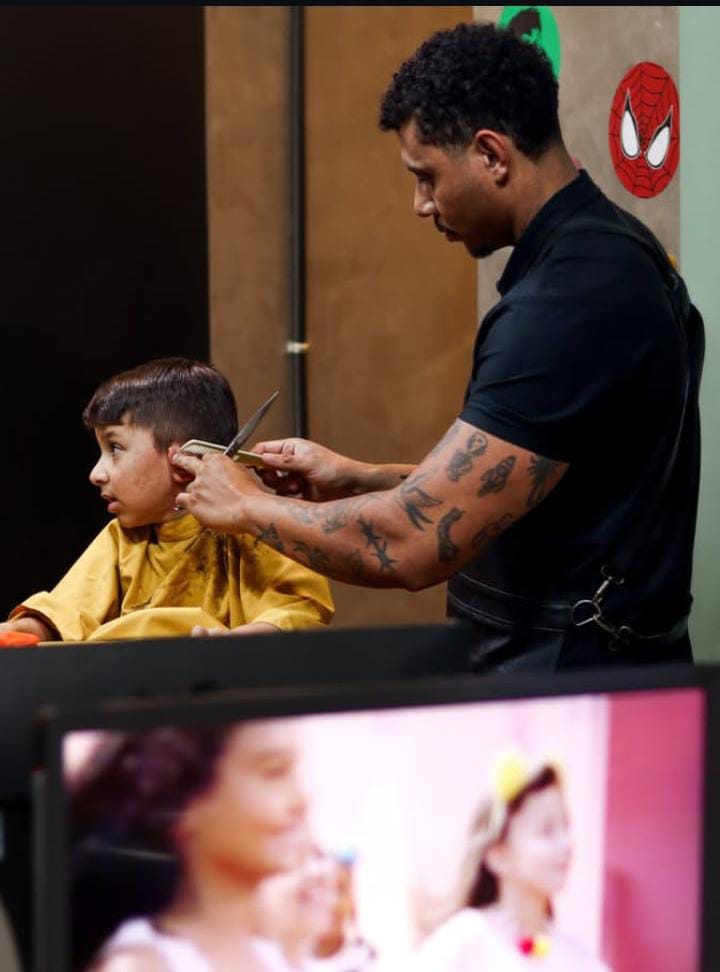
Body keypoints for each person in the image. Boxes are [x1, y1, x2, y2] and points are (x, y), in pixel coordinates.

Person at [171, 23, 703, 671]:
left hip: (570, 686)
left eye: (426, 177)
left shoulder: (568, 303)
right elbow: (531, 487)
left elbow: (412, 544)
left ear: (491, 154)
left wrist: (246, 504)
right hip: (576, 668)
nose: (421, 205)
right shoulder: (612, 253)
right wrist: (358, 478)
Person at [0, 358, 333, 642]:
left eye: (115, 448)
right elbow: (63, 615)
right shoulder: (120, 539)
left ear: (185, 460)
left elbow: (297, 612)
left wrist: (239, 644)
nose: (96, 473)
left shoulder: (254, 528)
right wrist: (19, 631)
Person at [72, 721, 310, 971]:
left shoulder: (272, 951)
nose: (302, 799)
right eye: (274, 772)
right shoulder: (142, 965)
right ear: (184, 805)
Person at [412, 753, 611, 971]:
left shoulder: (576, 958)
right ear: (498, 855)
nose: (566, 844)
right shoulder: (464, 942)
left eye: (566, 826)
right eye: (547, 831)